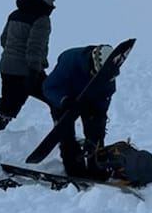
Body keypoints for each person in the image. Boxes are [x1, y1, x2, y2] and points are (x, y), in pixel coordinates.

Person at [0, 0, 56, 132]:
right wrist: (34, 70)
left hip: (6, 67)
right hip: (27, 70)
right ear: (46, 2)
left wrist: (12, 55)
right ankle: (62, 131)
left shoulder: (15, 14)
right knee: (54, 97)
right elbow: (35, 47)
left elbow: (3, 39)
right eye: (52, 3)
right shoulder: (42, 19)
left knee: (9, 104)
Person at [43, 44, 114, 178]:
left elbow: (106, 93)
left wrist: (99, 114)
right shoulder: (70, 61)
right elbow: (49, 87)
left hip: (91, 98)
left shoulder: (110, 69)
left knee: (96, 133)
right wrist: (64, 100)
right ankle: (74, 169)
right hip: (65, 99)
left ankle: (97, 167)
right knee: (66, 134)